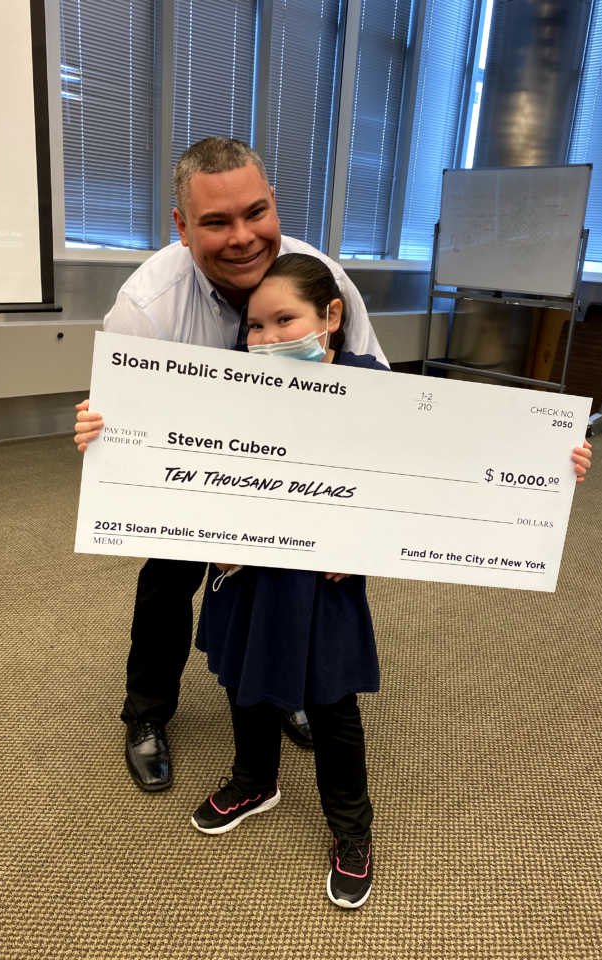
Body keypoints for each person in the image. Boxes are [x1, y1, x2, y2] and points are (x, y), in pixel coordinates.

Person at [74, 137, 388, 794]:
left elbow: (382, 400)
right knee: (169, 579)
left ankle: (289, 691)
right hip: (195, 470)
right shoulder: (148, 307)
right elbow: (127, 423)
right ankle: (146, 714)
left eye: (256, 213)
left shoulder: (322, 280)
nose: (243, 238)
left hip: (303, 468)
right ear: (182, 227)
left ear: (274, 205)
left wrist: (360, 522)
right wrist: (107, 435)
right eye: (215, 222)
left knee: (299, 585)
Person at [190, 254, 385, 909]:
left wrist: (554, 462)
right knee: (244, 680)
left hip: (321, 583)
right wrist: (106, 437)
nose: (267, 338)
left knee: (331, 705)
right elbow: (182, 455)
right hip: (247, 572)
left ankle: (351, 830)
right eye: (254, 326)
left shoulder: (372, 389)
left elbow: (425, 472)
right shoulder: (235, 385)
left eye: (285, 320)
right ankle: (255, 780)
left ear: (331, 317)